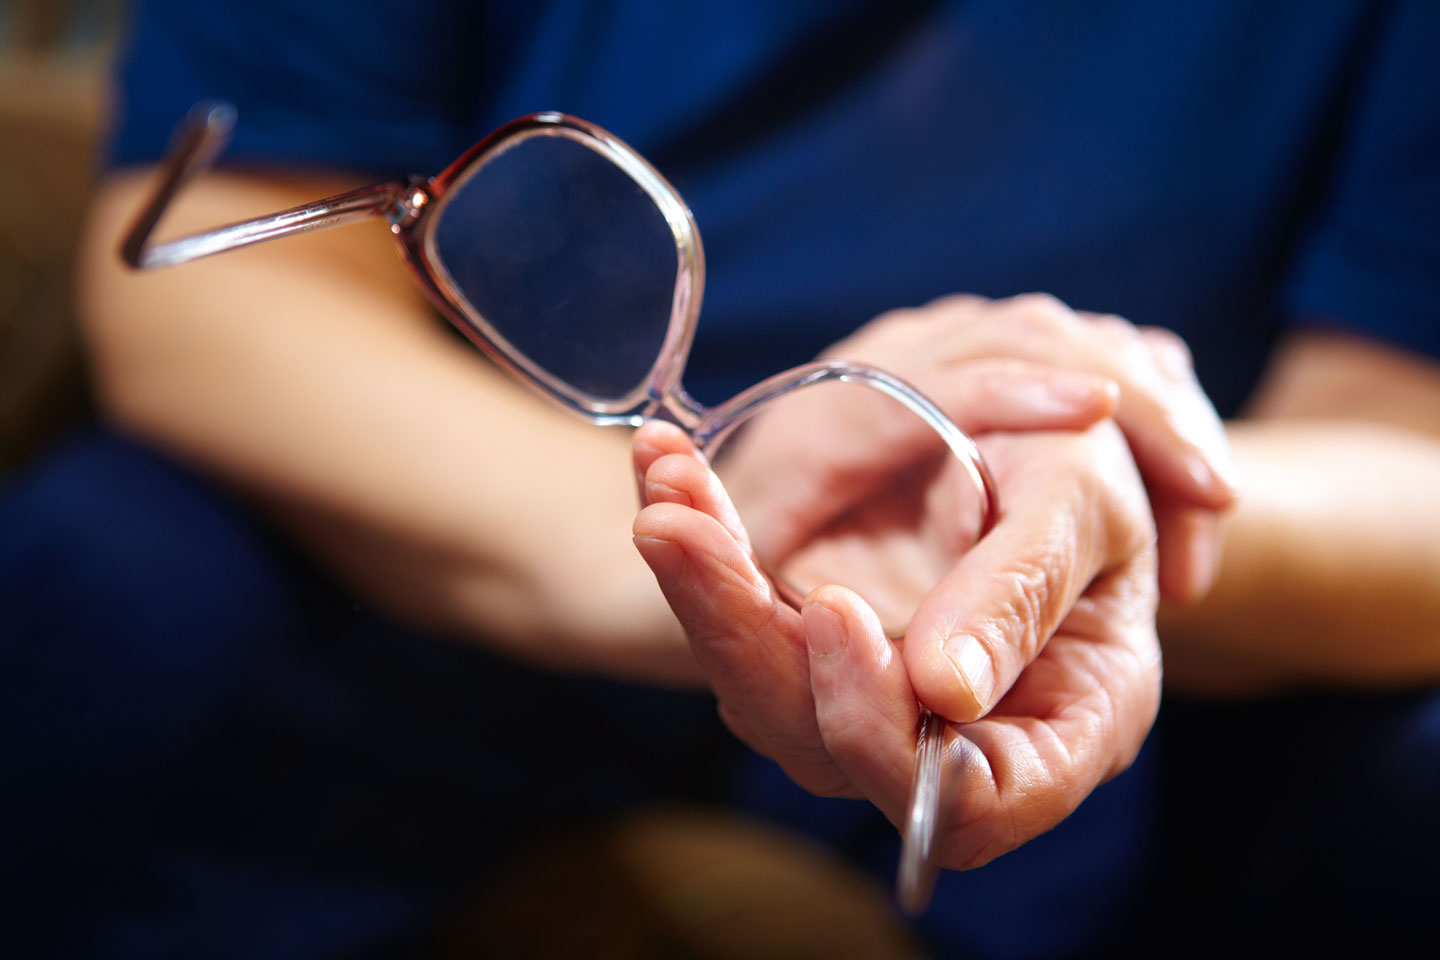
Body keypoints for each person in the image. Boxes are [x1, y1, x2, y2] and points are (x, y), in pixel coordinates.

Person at [5, 1, 1436, 956]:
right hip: (446, 519)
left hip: (1100, 664)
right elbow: (209, 267)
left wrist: (1121, 498)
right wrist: (716, 541)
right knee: (102, 584)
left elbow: (1403, 458)